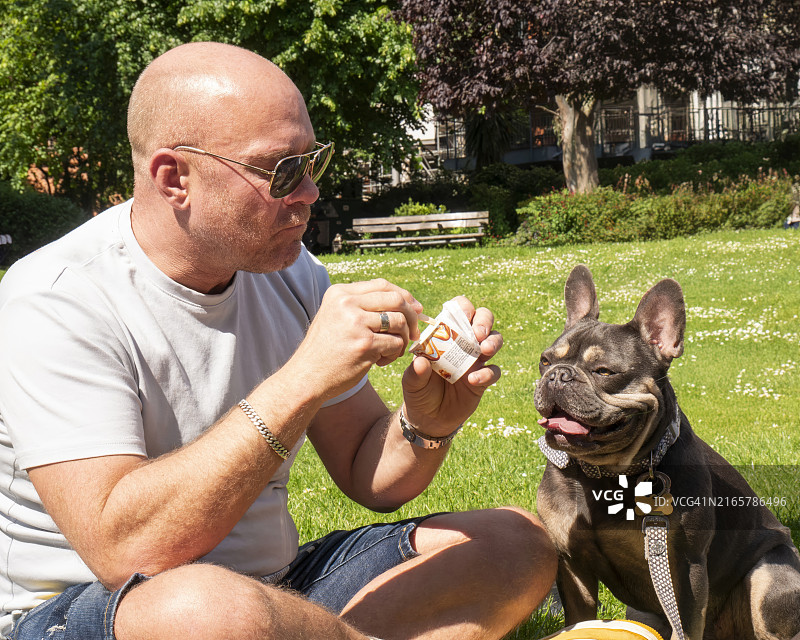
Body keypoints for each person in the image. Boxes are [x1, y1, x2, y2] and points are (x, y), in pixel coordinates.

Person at [0, 42, 556, 640]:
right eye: (281, 171)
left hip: (271, 588)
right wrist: (305, 376)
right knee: (207, 614)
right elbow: (125, 551)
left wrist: (426, 423)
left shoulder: (291, 275)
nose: (310, 193)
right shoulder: (56, 299)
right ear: (174, 177)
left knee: (513, 545)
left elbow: (368, 471)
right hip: (98, 609)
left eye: (312, 162)